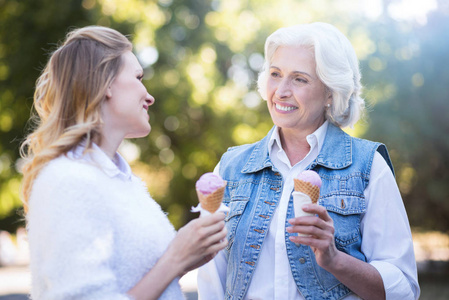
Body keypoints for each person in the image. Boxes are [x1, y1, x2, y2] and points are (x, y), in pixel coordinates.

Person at [198, 22, 420, 300]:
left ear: (330, 92)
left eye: (299, 79)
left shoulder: (368, 166)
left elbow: (403, 288)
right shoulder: (231, 167)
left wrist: (335, 260)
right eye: (275, 74)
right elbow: (211, 280)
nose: (281, 91)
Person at [20, 25, 227, 300]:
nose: (149, 96)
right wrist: (174, 260)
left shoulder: (124, 182)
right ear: (105, 83)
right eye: (139, 77)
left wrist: (187, 258)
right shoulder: (67, 180)